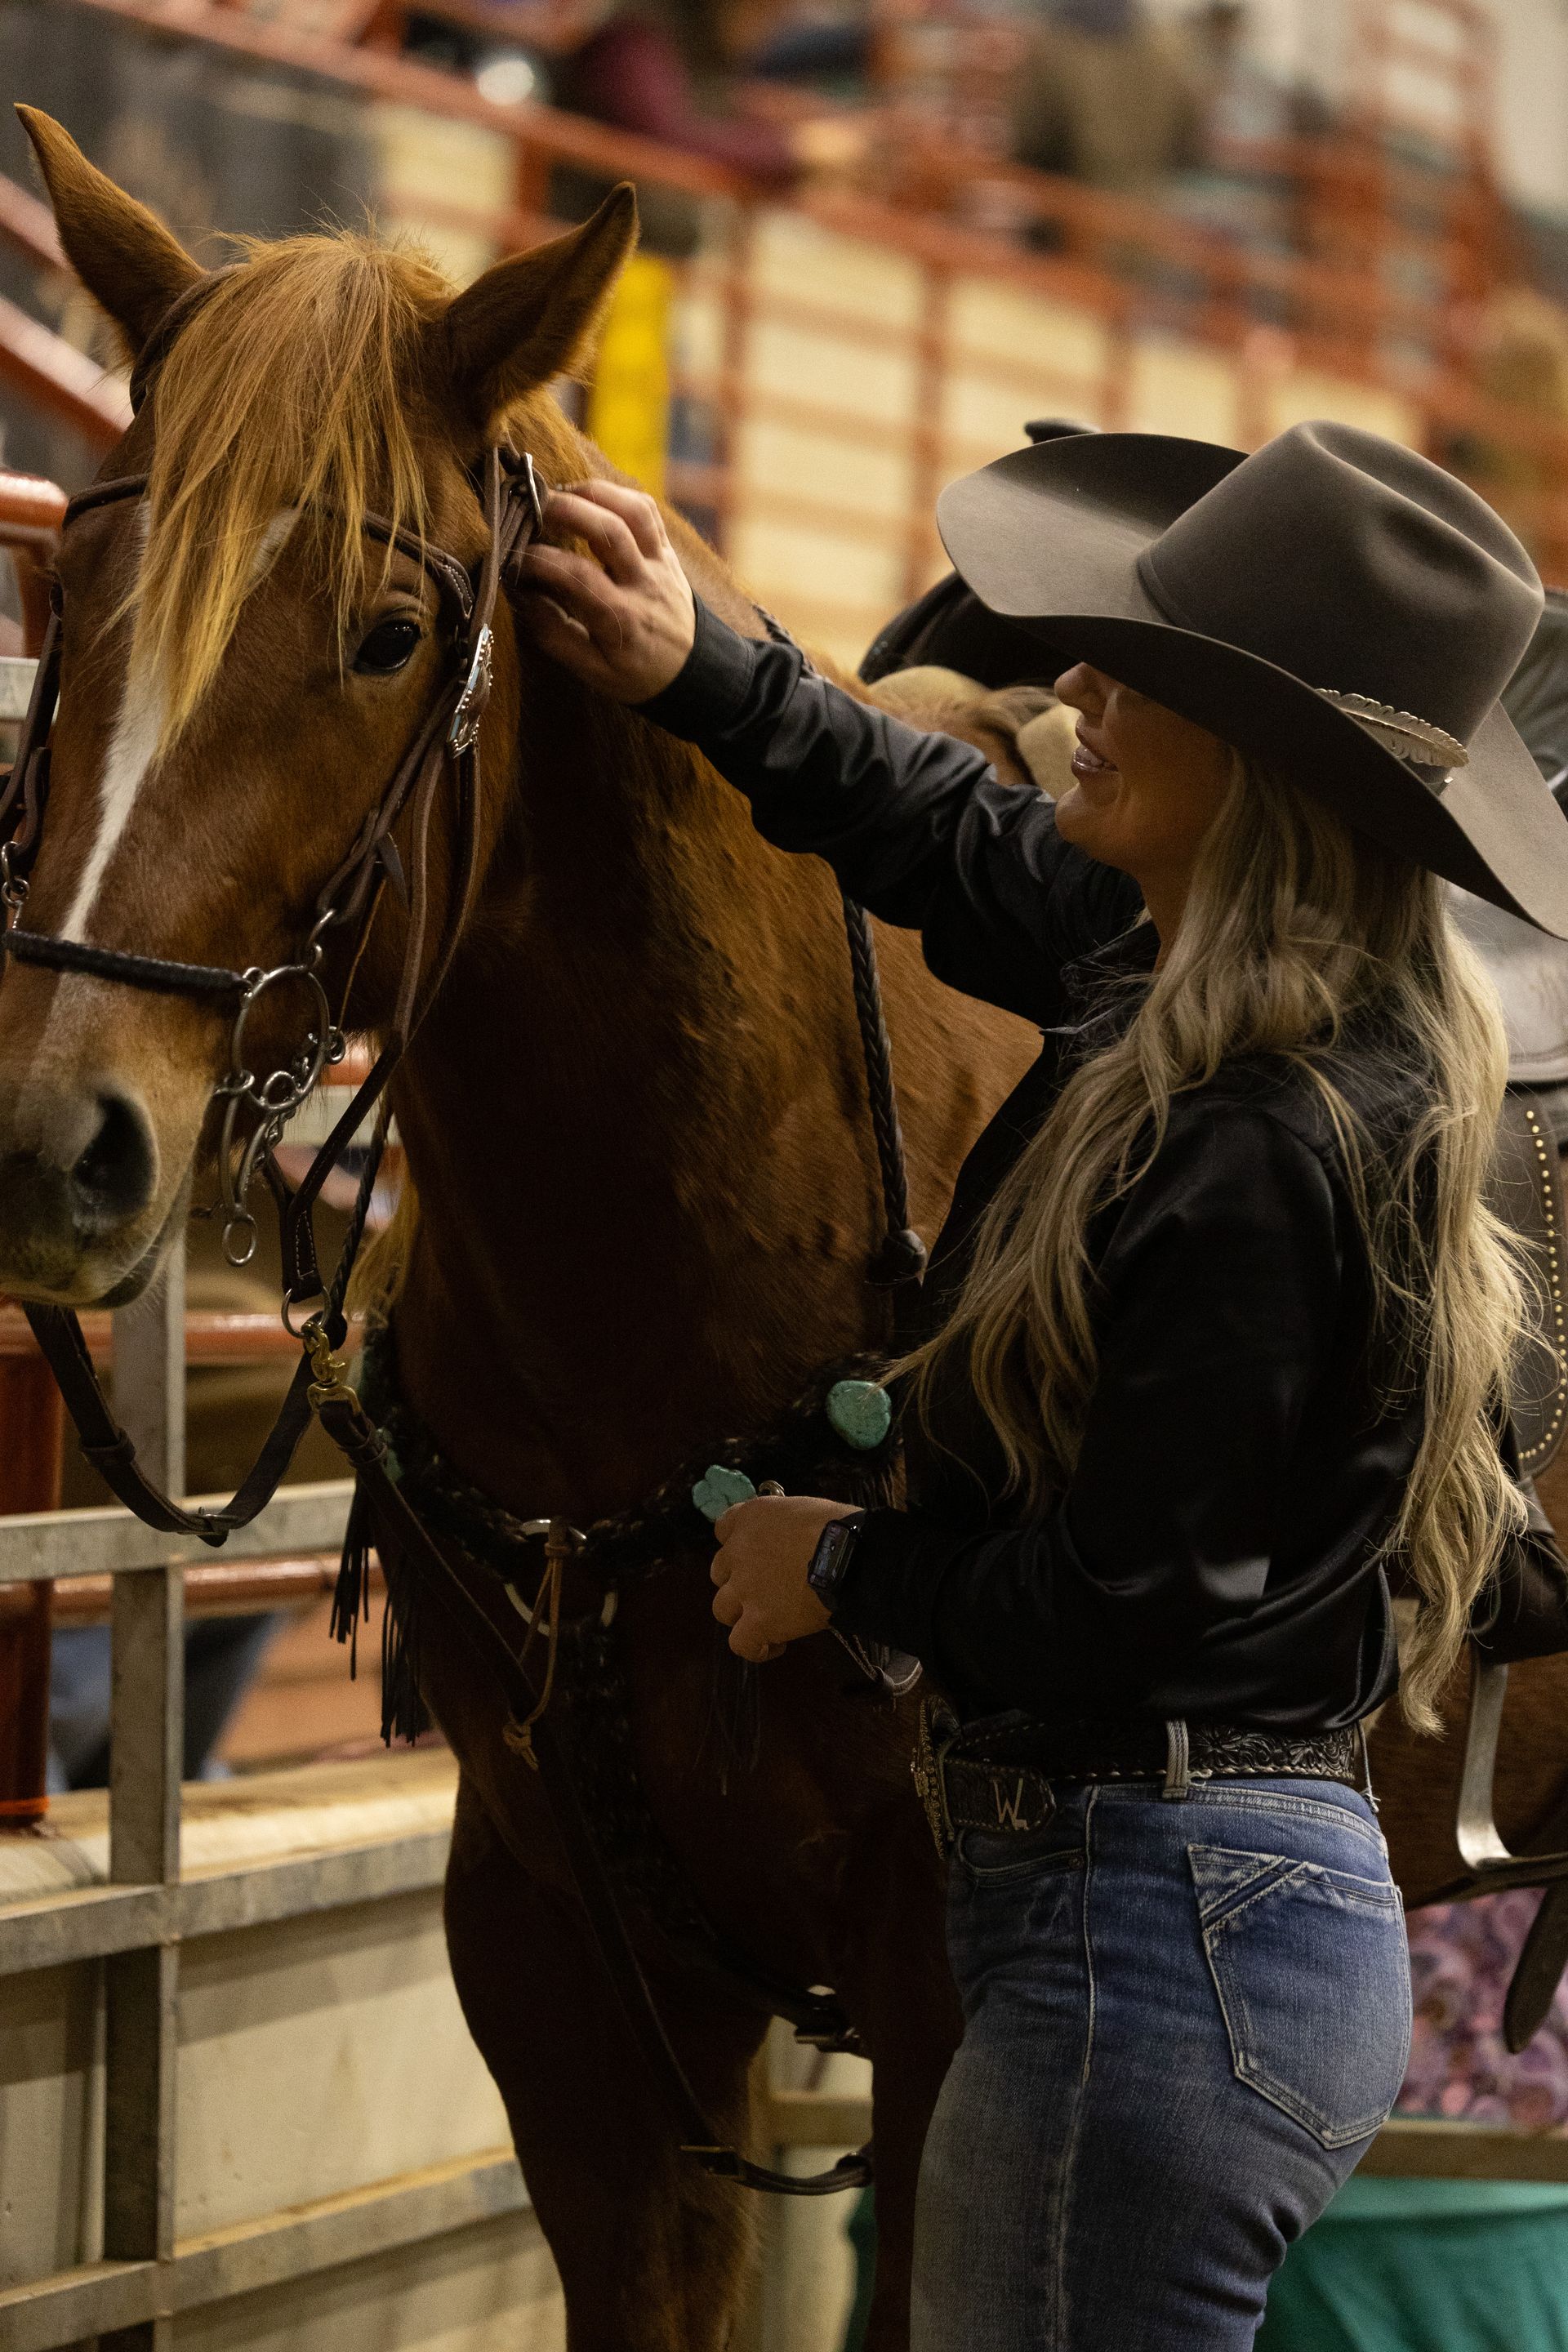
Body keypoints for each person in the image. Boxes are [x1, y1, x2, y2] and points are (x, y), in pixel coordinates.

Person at [515, 419, 1568, 2346]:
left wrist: (840, 1572)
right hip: (1187, 1926)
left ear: (1248, 768)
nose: (1069, 682)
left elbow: (1142, 1599)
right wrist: (707, 670)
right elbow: (940, 836)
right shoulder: (1218, 996)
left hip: (1154, 1935)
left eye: (1134, 670)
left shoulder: (1253, 1136)